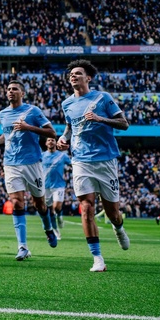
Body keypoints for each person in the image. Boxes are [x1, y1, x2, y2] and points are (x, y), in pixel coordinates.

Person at [56, 59, 130, 272]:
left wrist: (99, 118)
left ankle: (118, 228)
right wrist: (63, 139)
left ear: (88, 78)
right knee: (86, 207)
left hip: (105, 160)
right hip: (80, 161)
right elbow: (70, 127)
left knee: (112, 212)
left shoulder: (103, 98)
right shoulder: (67, 104)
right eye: (71, 73)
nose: (73, 76)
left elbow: (124, 124)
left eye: (78, 73)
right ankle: (97, 258)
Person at [0, 80, 58, 261]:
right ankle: (22, 246)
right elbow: (8, 134)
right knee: (17, 203)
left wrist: (28, 128)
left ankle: (48, 228)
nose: (11, 92)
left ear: (22, 93)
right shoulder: (3, 113)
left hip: (32, 162)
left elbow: (52, 133)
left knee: (39, 204)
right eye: (9, 89)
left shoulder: (33, 111)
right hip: (11, 163)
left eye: (15, 89)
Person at [42, 137, 71, 238]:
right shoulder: (42, 156)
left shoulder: (62, 156)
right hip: (45, 187)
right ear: (46, 143)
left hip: (58, 185)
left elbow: (73, 163)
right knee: (49, 211)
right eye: (48, 140)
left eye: (52, 140)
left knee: (56, 207)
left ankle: (60, 215)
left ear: (56, 143)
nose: (50, 141)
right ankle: (55, 230)